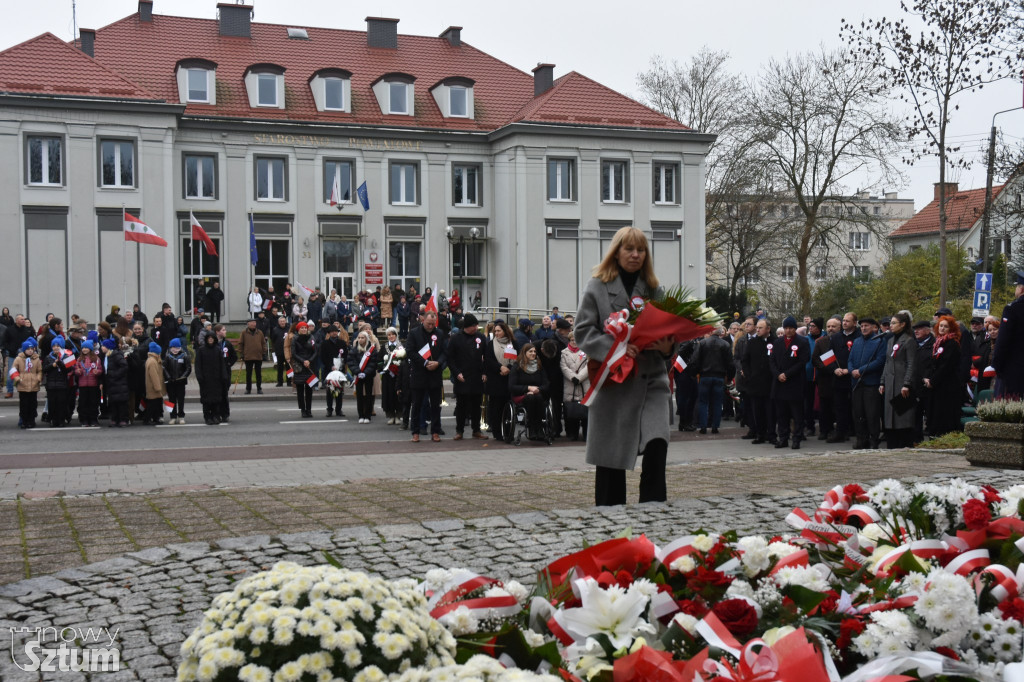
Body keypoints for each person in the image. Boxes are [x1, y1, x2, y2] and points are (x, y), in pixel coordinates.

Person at [575, 226, 675, 506]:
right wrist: (616, 349)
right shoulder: (597, 286)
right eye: (629, 249)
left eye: (641, 250)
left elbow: (669, 331)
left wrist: (669, 347)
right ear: (616, 252)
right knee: (610, 457)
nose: (635, 254)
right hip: (614, 382)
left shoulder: (655, 288)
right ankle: (609, 514)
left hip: (651, 381)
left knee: (658, 443)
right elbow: (583, 332)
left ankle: (653, 509)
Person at [406, 310, 447, 442]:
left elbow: (445, 352)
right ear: (423, 320)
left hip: (435, 374)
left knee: (436, 405)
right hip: (419, 374)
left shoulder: (439, 333)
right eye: (428, 323)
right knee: (417, 404)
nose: (430, 326)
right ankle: (415, 432)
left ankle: (435, 431)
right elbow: (410, 351)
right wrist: (424, 362)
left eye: (433, 324)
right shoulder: (414, 333)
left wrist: (438, 362)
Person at [769, 316, 809, 449]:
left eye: (791, 328)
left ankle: (797, 438)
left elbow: (802, 361)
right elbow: (772, 361)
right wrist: (778, 374)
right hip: (779, 383)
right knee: (781, 414)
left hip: (794, 382)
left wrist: (787, 374)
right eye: (786, 328)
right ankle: (783, 438)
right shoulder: (778, 342)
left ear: (795, 329)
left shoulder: (802, 342)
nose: (788, 331)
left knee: (797, 414)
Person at [447, 313, 488, 439]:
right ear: (466, 326)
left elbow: (487, 357)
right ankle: (459, 431)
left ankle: (476, 430)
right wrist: (456, 373)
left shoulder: (480, 337)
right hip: (462, 376)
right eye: (473, 326)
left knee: (476, 405)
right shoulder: (455, 338)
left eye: (476, 325)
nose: (476, 328)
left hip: (477, 376)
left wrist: (485, 372)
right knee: (461, 406)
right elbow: (450, 359)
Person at [880, 311, 916, 449]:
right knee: (889, 416)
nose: (891, 326)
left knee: (902, 416)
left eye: (894, 323)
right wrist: (882, 381)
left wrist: (907, 383)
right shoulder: (890, 341)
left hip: (901, 383)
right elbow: (887, 362)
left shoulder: (908, 340)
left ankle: (904, 444)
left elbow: (911, 363)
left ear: (903, 324)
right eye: (890, 323)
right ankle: (891, 443)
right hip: (890, 383)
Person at [849, 317, 885, 449]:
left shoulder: (879, 341)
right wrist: (852, 370)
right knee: (858, 413)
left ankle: (874, 439)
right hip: (856, 383)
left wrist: (862, 370)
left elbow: (880, 361)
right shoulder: (857, 341)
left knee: (872, 414)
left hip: (871, 383)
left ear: (873, 327)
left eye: (866, 326)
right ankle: (861, 438)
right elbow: (850, 359)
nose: (863, 328)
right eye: (862, 326)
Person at [924, 315, 963, 437]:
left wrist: (933, 381)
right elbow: (933, 363)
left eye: (945, 326)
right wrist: (928, 378)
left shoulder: (952, 344)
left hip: (947, 386)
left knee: (944, 415)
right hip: (937, 385)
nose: (942, 328)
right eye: (941, 325)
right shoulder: (938, 342)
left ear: (951, 329)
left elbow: (946, 366)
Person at [691, 326, 733, 435]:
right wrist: (729, 377)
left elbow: (695, 360)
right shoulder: (725, 344)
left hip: (705, 375)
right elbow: (730, 363)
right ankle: (715, 426)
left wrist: (694, 373)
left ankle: (703, 426)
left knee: (703, 402)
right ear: (720, 333)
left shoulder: (702, 343)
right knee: (717, 402)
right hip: (719, 376)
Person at [483, 320, 518, 441]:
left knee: (507, 407)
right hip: (495, 379)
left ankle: (508, 431)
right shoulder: (490, 344)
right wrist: (500, 367)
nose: (496, 333)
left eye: (499, 331)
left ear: (505, 331)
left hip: (509, 379)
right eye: (495, 331)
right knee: (496, 408)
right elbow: (488, 360)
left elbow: (517, 359)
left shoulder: (512, 343)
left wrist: (508, 368)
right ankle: (497, 432)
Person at [828, 312, 859, 443]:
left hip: (854, 377)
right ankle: (840, 432)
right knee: (840, 406)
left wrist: (849, 370)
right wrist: (835, 369)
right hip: (839, 377)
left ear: (854, 323)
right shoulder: (835, 337)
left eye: (848, 321)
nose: (845, 323)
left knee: (856, 406)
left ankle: (856, 431)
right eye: (844, 321)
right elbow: (828, 356)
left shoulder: (859, 336)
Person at [992, 270, 1024, 398]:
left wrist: (996, 366)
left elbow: (1003, 341)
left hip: (1013, 371)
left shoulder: (1012, 309)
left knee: (1008, 413)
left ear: (1021, 289)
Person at [508, 342, 549, 439]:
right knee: (531, 398)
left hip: (537, 394)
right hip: (521, 395)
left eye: (535, 351)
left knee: (537, 397)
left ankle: (539, 427)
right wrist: (528, 388)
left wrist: (538, 389)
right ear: (524, 353)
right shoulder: (517, 367)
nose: (533, 353)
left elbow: (546, 384)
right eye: (530, 351)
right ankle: (531, 427)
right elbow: (512, 386)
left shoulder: (539, 367)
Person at [812, 317, 841, 441]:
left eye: (833, 326)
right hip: (824, 379)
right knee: (824, 407)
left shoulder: (842, 341)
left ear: (839, 327)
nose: (831, 329)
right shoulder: (821, 342)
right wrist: (828, 369)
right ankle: (824, 430)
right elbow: (815, 359)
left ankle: (839, 431)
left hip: (840, 379)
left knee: (838, 407)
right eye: (829, 326)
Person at [560, 331, 589, 441]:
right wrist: (573, 377)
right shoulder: (564, 353)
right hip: (570, 384)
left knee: (586, 410)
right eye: (572, 340)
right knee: (572, 411)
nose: (574, 342)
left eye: (577, 339)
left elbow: (588, 366)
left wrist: (579, 377)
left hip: (584, 383)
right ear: (569, 340)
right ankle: (573, 433)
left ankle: (587, 434)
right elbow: (563, 367)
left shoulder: (586, 351)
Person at [348, 330, 379, 423]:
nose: (361, 339)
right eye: (359, 338)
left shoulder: (372, 349)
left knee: (369, 396)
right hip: (358, 376)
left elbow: (373, 363)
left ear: (366, 339)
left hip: (368, 376)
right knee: (359, 396)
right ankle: (361, 415)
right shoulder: (354, 350)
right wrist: (358, 372)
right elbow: (351, 362)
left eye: (363, 338)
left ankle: (368, 415)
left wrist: (366, 372)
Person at [195, 332, 226, 425]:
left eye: (212, 338)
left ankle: (215, 416)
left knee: (216, 400)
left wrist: (224, 376)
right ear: (206, 339)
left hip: (216, 379)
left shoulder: (217, 350)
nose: (210, 340)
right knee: (206, 400)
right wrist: (199, 376)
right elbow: (198, 365)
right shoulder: (201, 350)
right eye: (209, 338)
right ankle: (207, 416)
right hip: (205, 379)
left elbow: (222, 364)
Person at [42, 336, 71, 427]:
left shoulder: (67, 356)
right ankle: (53, 420)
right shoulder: (48, 357)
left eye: (58, 346)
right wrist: (53, 365)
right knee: (52, 403)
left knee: (61, 403)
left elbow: (69, 369)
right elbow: (44, 369)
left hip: (62, 384)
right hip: (51, 384)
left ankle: (61, 420)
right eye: (54, 346)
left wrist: (60, 363)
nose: (56, 347)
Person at [320, 323, 348, 417]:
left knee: (339, 391)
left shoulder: (342, 343)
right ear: (329, 333)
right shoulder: (325, 344)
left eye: (336, 331)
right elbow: (323, 357)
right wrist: (330, 366)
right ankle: (329, 409)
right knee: (329, 391)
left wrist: (342, 365)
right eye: (332, 332)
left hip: (340, 370)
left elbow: (345, 355)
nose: (334, 333)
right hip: (329, 371)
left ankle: (339, 409)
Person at [12, 339, 41, 428]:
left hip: (33, 385)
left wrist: (38, 379)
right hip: (23, 385)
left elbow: (39, 371)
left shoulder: (36, 359)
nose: (30, 351)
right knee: (24, 405)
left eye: (32, 349)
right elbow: (13, 370)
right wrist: (18, 379)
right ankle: (24, 421)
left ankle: (31, 420)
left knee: (33, 404)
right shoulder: (18, 359)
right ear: (24, 350)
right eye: (28, 349)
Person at [291, 322, 317, 418]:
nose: (304, 329)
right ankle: (303, 410)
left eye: (305, 328)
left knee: (309, 390)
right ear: (298, 329)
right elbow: (293, 353)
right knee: (300, 390)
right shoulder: (295, 338)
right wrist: (303, 361)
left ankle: (309, 410)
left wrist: (309, 361)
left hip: (309, 366)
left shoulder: (311, 338)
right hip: (299, 367)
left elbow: (315, 351)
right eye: (301, 328)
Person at [74, 340, 103, 427]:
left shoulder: (96, 359)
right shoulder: (79, 359)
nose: (85, 349)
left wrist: (97, 372)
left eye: (86, 348)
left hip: (93, 384)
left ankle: (93, 419)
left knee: (93, 403)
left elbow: (100, 369)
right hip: (83, 385)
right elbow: (76, 369)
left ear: (90, 349)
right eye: (83, 348)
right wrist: (78, 371)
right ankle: (84, 420)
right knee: (83, 403)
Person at [163, 338, 191, 425]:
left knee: (181, 400)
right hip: (171, 382)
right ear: (170, 348)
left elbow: (188, 368)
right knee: (171, 400)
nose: (175, 349)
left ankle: (181, 416)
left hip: (180, 382)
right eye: (173, 347)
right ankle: (172, 417)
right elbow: (164, 368)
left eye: (177, 347)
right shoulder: (168, 356)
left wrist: (182, 377)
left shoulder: (184, 355)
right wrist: (168, 377)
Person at [215, 325, 237, 423]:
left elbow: (234, 356)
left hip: (225, 372)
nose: (225, 331)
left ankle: (225, 414)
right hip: (215, 373)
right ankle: (217, 413)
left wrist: (228, 364)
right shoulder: (213, 343)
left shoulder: (227, 344)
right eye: (223, 330)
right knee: (217, 394)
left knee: (224, 394)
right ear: (217, 332)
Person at [380, 328, 402, 424]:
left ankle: (398, 415)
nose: (391, 336)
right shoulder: (383, 347)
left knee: (398, 395)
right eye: (389, 335)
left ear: (396, 335)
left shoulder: (401, 346)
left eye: (393, 334)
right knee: (388, 395)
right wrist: (384, 367)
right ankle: (390, 415)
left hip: (398, 376)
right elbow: (379, 360)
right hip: (387, 376)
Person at [238, 318, 266, 395]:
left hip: (258, 356)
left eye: (254, 322)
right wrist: (242, 354)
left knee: (258, 374)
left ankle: (259, 388)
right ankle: (248, 389)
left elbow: (263, 343)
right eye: (252, 322)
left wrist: (264, 352)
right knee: (248, 374)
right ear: (248, 324)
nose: (254, 324)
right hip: (248, 356)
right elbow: (240, 344)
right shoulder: (244, 333)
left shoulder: (259, 332)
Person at [143, 341, 167, 425]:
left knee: (155, 404)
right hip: (153, 387)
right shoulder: (152, 362)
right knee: (152, 404)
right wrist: (158, 387)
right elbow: (154, 376)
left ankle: (155, 418)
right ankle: (147, 419)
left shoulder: (152, 360)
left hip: (153, 387)